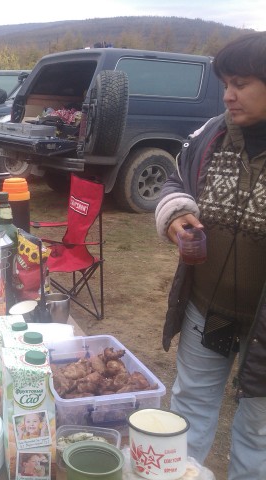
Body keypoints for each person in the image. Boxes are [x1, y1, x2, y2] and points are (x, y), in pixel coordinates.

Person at [154, 31, 266, 480]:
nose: (227, 95)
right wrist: (175, 211)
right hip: (207, 309)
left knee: (259, 431)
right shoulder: (211, 136)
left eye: (240, 83)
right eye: (225, 84)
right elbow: (174, 180)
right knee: (189, 408)